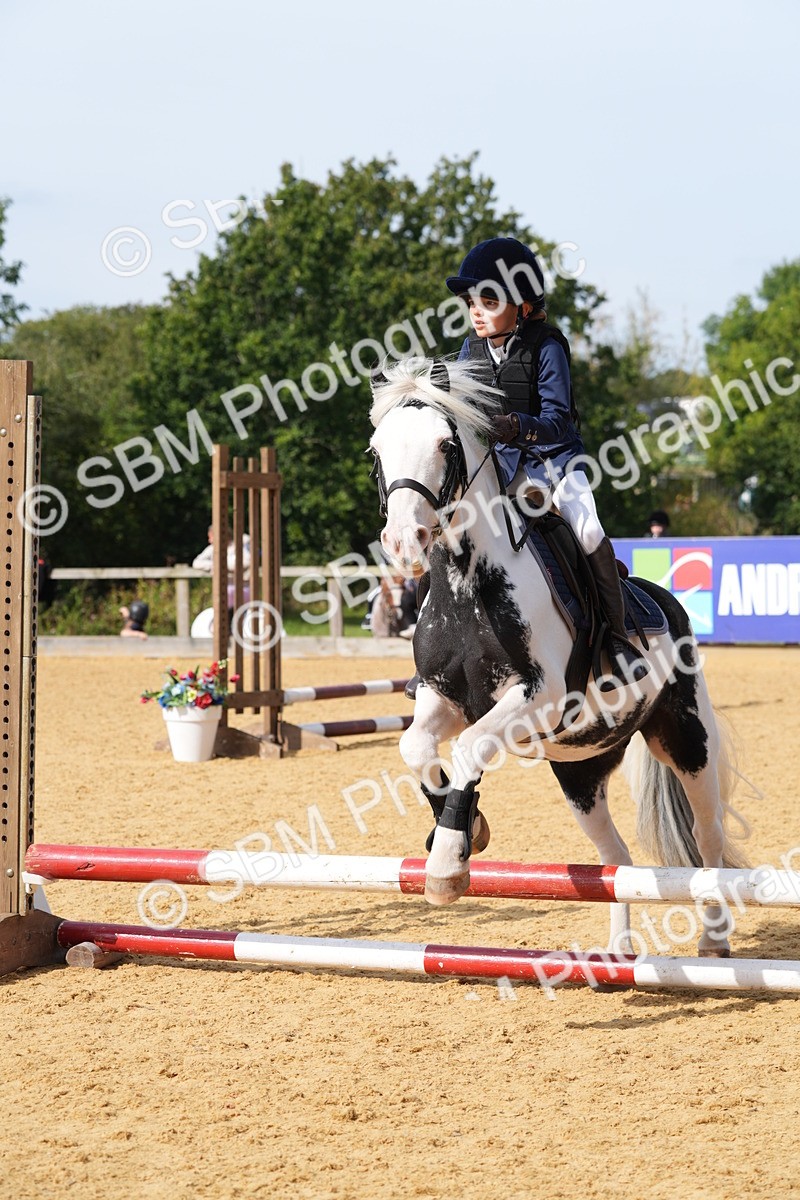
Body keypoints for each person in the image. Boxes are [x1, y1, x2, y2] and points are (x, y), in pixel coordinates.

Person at [445, 236, 647, 686]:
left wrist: (519, 425)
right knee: (450, 530)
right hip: (497, 468)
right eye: (471, 301)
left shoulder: (547, 345)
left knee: (588, 529)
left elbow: (557, 419)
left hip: (553, 461)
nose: (476, 310)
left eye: (489, 300)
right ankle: (436, 647)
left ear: (521, 305)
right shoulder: (469, 351)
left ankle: (617, 638)